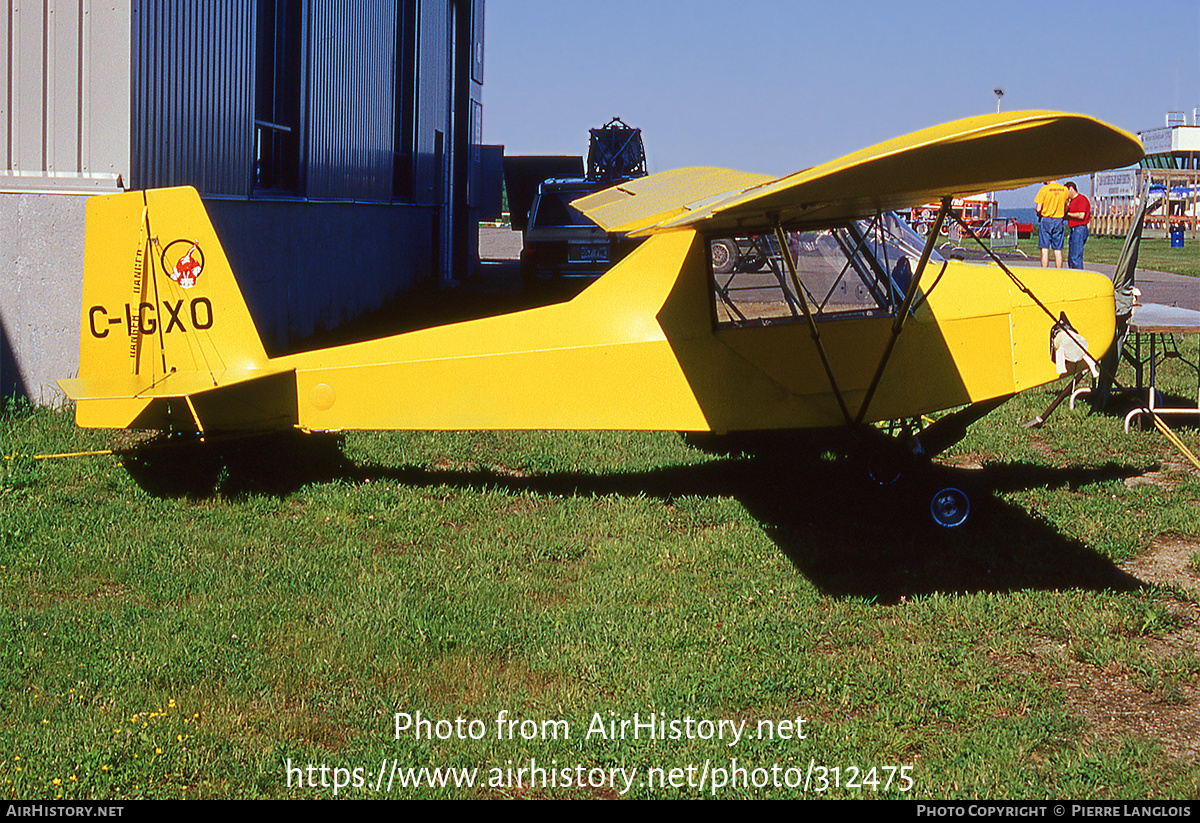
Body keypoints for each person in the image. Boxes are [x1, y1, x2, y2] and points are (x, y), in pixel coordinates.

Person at [1034, 180, 1069, 268]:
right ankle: (1059, 270)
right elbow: (1066, 206)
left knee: (1045, 248)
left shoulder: (1044, 190)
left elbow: (1038, 208)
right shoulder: (1064, 190)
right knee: (1058, 249)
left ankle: (1045, 270)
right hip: (1058, 219)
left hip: (1046, 219)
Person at [1065, 181, 1091, 269]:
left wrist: (1068, 215)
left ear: (1071, 189)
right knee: (1071, 257)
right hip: (1073, 229)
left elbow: (1081, 215)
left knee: (1076, 257)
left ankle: (1079, 275)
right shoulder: (1071, 201)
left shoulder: (1081, 199)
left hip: (1079, 229)